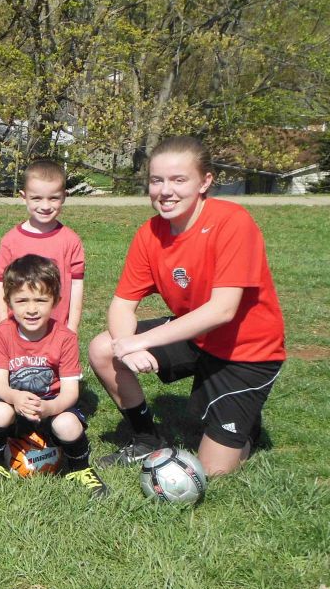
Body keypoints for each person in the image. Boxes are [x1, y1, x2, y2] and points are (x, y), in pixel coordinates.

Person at [88, 136, 285, 476]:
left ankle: (245, 424)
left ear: (204, 182)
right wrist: (126, 345)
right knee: (103, 348)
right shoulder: (150, 233)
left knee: (213, 470)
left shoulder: (233, 222)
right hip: (197, 337)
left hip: (247, 352)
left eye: (179, 180)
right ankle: (147, 439)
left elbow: (222, 310)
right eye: (157, 180)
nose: (165, 191)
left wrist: (141, 341)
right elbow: (122, 304)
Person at [0, 255, 108, 498]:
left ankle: (80, 468)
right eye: (22, 300)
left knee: (67, 424)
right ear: (8, 301)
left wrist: (49, 408)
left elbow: (70, 393)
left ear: (56, 301)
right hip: (14, 404)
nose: (31, 309)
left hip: (51, 405)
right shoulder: (1, 334)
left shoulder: (65, 338)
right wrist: (15, 398)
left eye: (41, 300)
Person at [0, 159, 84, 332]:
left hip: (57, 330)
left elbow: (77, 285)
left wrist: (72, 327)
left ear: (64, 196)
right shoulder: (10, 241)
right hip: (17, 330)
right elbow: (0, 285)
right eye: (36, 198)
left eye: (53, 198)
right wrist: (3, 325)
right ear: (23, 197)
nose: (45, 206)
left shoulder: (71, 241)